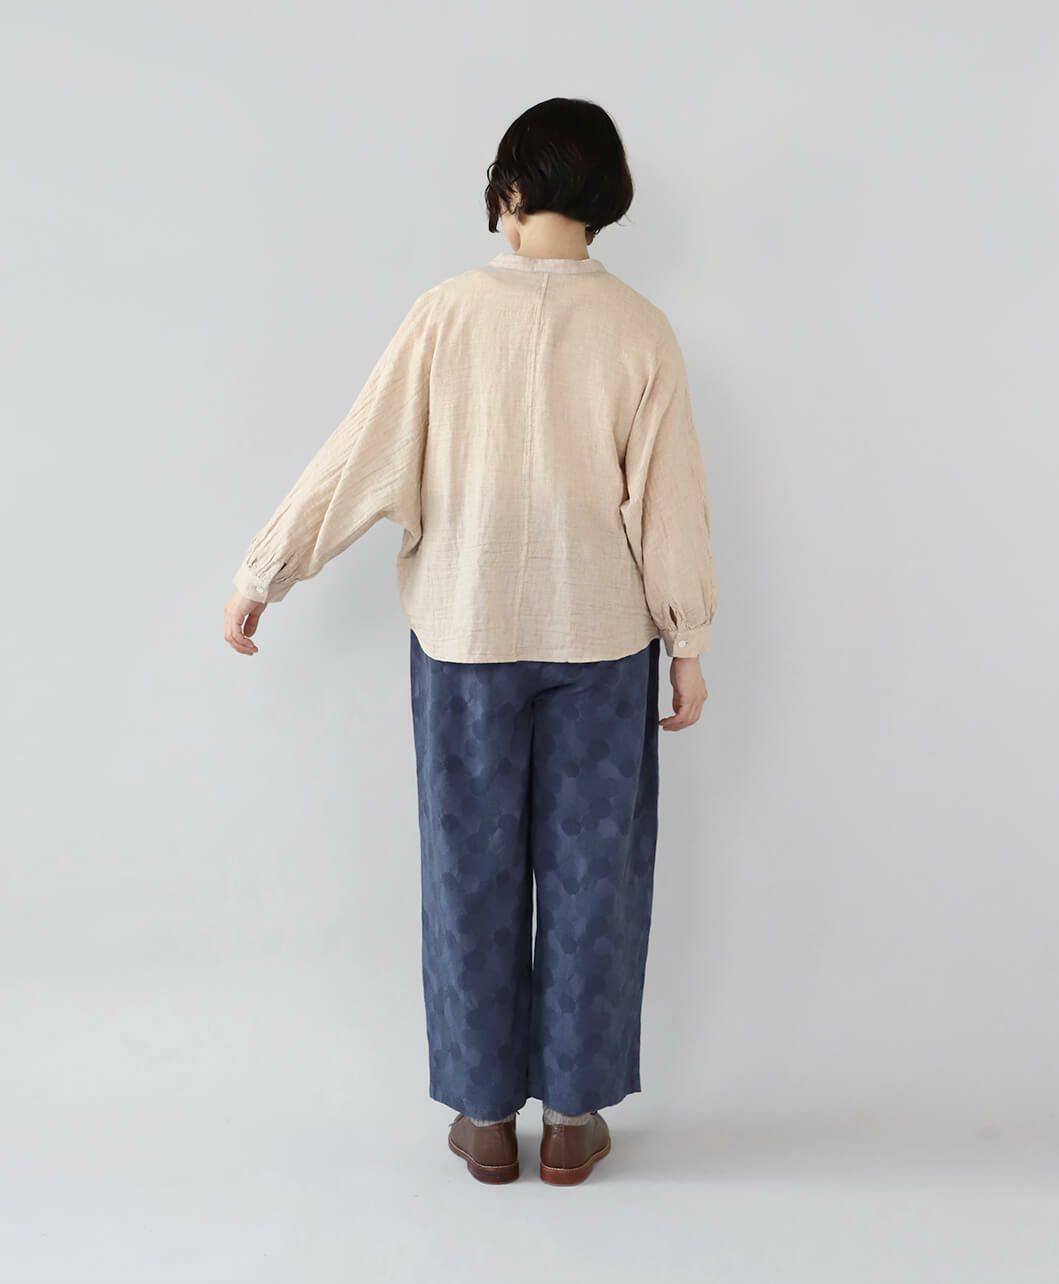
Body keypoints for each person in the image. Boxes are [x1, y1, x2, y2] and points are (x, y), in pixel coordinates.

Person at [224, 96, 718, 1186]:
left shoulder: (445, 313)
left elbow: (359, 458)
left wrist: (265, 570)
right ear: (605, 197)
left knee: (467, 869)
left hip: (464, 637)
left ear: (510, 189)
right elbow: (669, 506)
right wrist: (686, 643)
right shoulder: (640, 328)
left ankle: (486, 1119)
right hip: (601, 644)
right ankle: (573, 1120)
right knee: (594, 875)